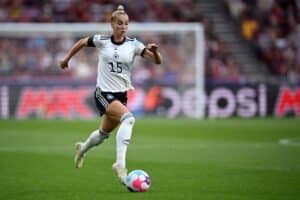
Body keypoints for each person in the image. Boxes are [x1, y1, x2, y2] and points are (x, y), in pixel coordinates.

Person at [59, 5, 162, 185]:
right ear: (112, 24)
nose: (123, 27)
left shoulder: (134, 44)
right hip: (103, 93)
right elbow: (82, 42)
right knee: (129, 119)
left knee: (103, 134)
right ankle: (120, 165)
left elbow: (157, 61)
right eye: (120, 23)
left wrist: (155, 52)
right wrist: (67, 59)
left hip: (121, 95)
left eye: (126, 24)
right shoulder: (102, 40)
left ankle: (82, 149)